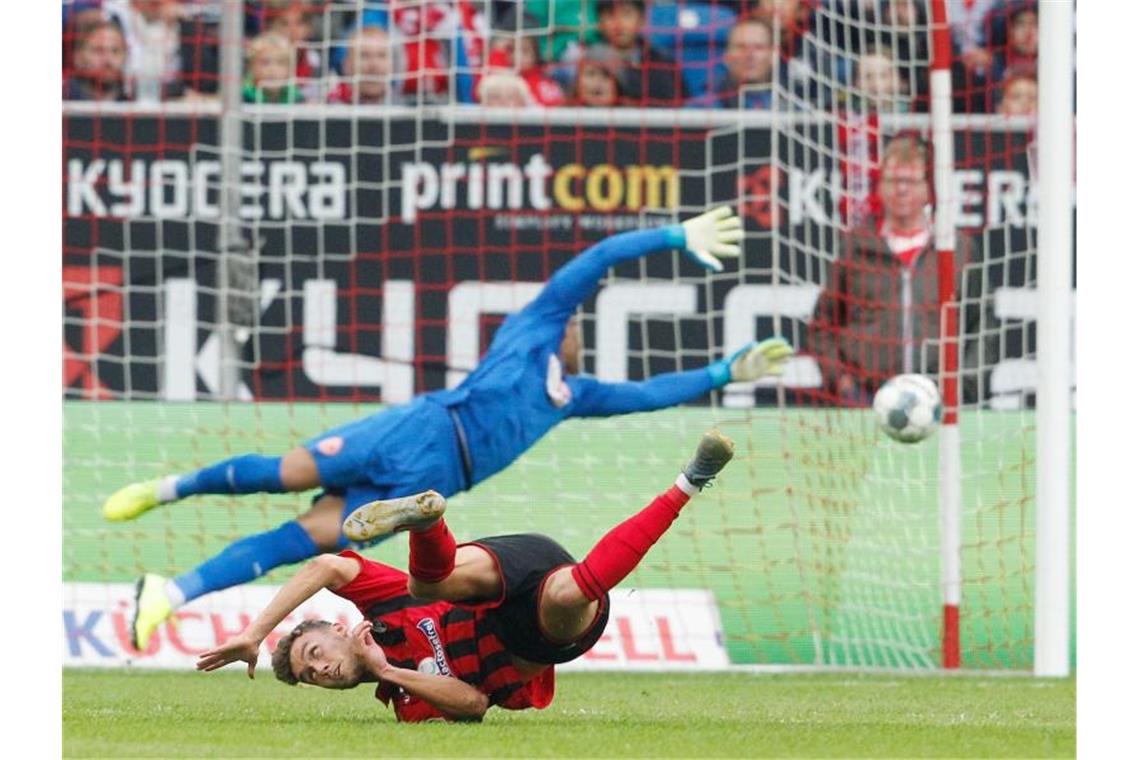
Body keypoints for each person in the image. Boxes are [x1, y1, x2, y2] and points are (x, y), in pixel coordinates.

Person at [103, 208, 794, 650]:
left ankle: (170, 594)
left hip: (432, 482)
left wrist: (722, 372)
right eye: (577, 323)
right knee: (288, 472)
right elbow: (595, 262)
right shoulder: (533, 331)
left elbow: (647, 395)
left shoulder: (572, 396)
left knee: (307, 538)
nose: (579, 328)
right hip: (419, 430)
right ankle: (165, 489)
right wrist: (672, 236)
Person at [197, 429, 737, 722]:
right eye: (313, 678)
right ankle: (691, 481)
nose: (322, 671)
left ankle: (429, 520)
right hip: (537, 630)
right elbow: (474, 704)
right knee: (575, 590)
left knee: (424, 587)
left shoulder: (377, 612)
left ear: (336, 630)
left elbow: (329, 564)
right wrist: (388, 671)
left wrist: (253, 632)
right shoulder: (405, 702)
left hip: (501, 568)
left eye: (315, 655)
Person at [807, 134, 973, 405]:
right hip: (864, 400)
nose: (902, 190)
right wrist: (843, 383)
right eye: (893, 180)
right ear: (880, 187)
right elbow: (822, 324)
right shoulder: (857, 245)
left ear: (928, 188)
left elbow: (980, 323)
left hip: (937, 400)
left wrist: (963, 386)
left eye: (910, 181)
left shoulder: (956, 248)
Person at [595, 0, 687, 106]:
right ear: (599, 23)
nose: (618, 24)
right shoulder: (588, 62)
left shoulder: (663, 62)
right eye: (610, 15)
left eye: (626, 14)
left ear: (641, 20)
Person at [686, 18, 778, 110]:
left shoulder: (788, 100)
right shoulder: (703, 107)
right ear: (727, 57)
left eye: (759, 47)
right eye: (741, 47)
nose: (750, 55)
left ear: (773, 56)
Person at [64, 20, 132, 102]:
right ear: (78, 57)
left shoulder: (134, 102)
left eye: (115, 51)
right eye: (98, 50)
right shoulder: (64, 99)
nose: (108, 59)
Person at [243, 32, 304, 103]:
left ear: (290, 69)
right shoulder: (242, 98)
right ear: (252, 67)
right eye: (265, 62)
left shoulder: (297, 99)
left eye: (280, 63)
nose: (272, 70)